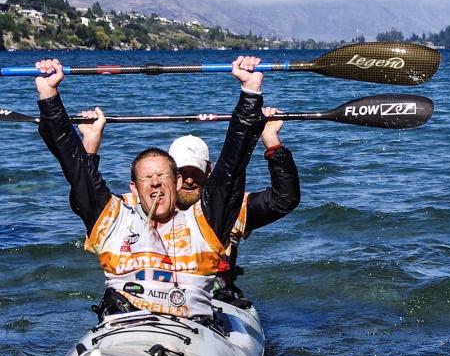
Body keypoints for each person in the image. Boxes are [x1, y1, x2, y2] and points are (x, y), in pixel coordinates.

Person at [35, 56, 267, 321]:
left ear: (177, 182)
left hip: (191, 331)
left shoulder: (204, 222)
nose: (155, 182)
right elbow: (74, 165)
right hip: (125, 326)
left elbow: (232, 164)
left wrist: (250, 91)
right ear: (134, 189)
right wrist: (49, 94)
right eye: (147, 178)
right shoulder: (113, 219)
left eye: (162, 176)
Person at [77, 107, 301, 306]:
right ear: (173, 175)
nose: (189, 181)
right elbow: (86, 197)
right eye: (183, 173)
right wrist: (90, 142)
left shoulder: (231, 210)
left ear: (209, 172)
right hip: (145, 296)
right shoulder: (132, 205)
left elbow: (284, 199)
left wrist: (270, 139)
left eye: (195, 173)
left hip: (215, 300)